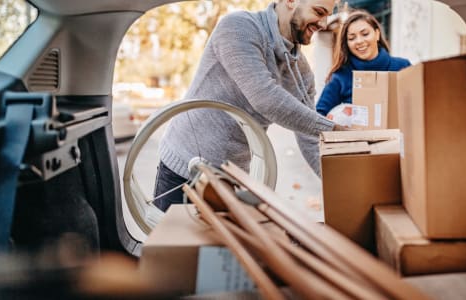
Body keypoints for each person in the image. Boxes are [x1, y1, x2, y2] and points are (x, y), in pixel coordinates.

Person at [154, 0, 347, 212]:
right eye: (319, 12)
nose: (323, 23)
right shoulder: (238, 28)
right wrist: (335, 130)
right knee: (172, 243)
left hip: (230, 177)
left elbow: (310, 138)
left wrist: (344, 189)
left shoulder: (301, 72)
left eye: (328, 15)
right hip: (184, 166)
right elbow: (265, 97)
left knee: (216, 245)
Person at [316, 11, 411, 116]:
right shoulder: (340, 76)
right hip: (355, 133)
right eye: (352, 38)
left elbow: (417, 104)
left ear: (377, 34)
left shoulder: (403, 67)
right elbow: (318, 116)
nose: (359, 41)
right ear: (347, 44)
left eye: (365, 34)